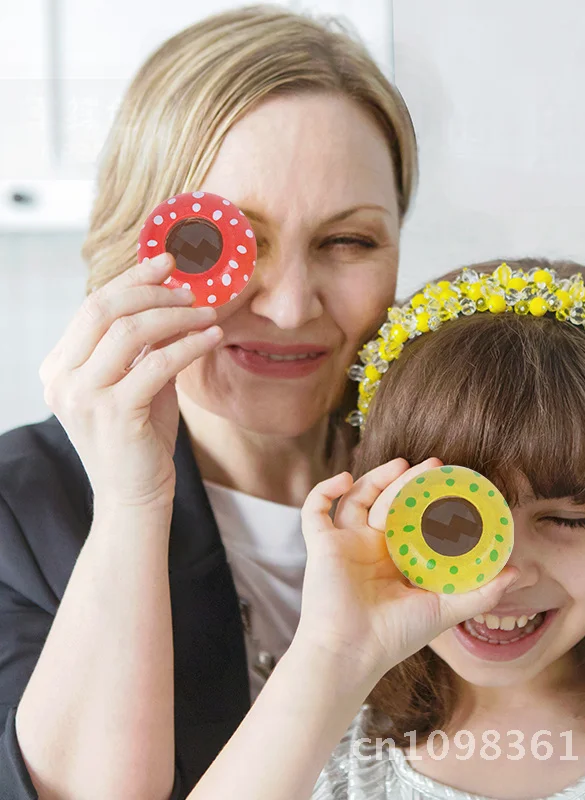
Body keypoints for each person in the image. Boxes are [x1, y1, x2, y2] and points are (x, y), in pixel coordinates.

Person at [184, 258, 585, 799]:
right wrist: (332, 655)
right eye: (455, 521)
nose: (503, 573)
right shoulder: (302, 751)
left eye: (565, 519)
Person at [0, 6, 417, 799]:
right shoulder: (21, 512)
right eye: (223, 243)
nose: (291, 307)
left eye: (349, 241)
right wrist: (131, 501)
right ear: (131, 242)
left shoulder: (459, 485)